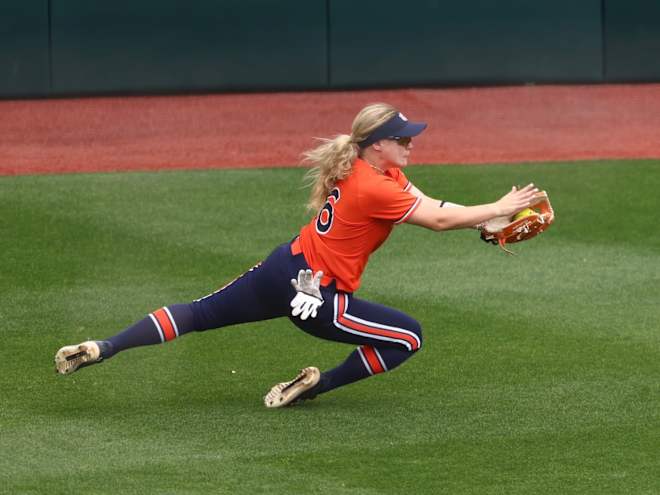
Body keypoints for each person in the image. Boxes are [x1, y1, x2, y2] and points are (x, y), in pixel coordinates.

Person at [54, 103, 538, 408]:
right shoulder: (374, 185)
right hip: (318, 297)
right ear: (376, 146)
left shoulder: (372, 172)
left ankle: (105, 346)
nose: (411, 142)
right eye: (401, 137)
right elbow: (433, 220)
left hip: (283, 267)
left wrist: (482, 219)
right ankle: (316, 386)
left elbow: (437, 207)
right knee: (408, 337)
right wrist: (500, 207)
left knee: (199, 313)